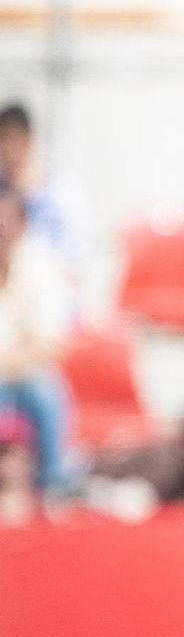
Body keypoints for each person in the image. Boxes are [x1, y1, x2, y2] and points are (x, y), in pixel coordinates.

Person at [0, 184, 73, 497]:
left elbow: (52, 346)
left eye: (7, 220)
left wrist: (6, 363)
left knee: (45, 393)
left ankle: (52, 488)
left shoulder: (41, 266)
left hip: (26, 376)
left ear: (22, 225)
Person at [0, 102, 87, 276]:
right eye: (4, 139)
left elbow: (76, 253)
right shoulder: (4, 191)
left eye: (16, 138)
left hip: (50, 279)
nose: (10, 149)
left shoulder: (60, 190)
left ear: (29, 139)